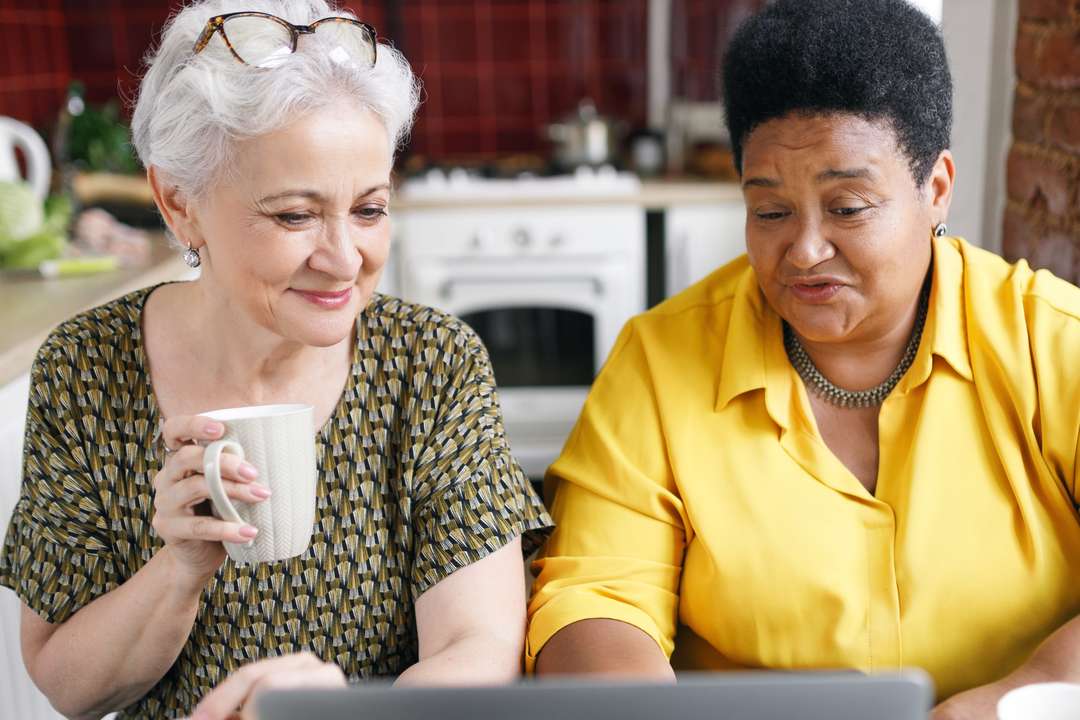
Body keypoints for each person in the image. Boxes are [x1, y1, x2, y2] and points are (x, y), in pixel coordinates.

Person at [526, 1, 1080, 718]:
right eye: (771, 212)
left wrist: (1009, 699)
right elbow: (595, 598)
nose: (805, 251)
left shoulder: (1049, 341)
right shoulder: (661, 364)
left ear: (936, 189)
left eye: (847, 208)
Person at [0, 2, 551, 718]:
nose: (344, 259)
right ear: (178, 203)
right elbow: (68, 687)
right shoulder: (86, 368)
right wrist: (180, 569)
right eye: (294, 215)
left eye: (369, 209)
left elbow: (480, 647)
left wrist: (343, 715)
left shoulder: (431, 363)